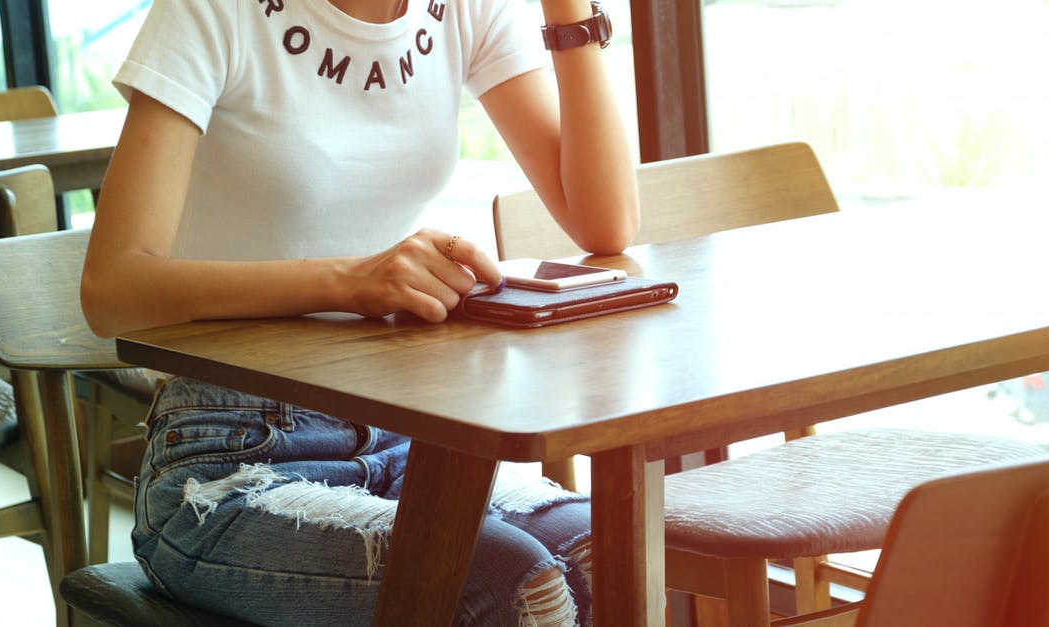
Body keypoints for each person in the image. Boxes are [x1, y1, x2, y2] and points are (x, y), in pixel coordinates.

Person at [80, 0, 639, 625]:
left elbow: (605, 220)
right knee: (511, 582)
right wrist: (348, 280)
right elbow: (112, 289)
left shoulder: (466, 9)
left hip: (415, 436)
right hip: (230, 460)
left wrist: (569, 12)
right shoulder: (210, 10)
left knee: (608, 550)